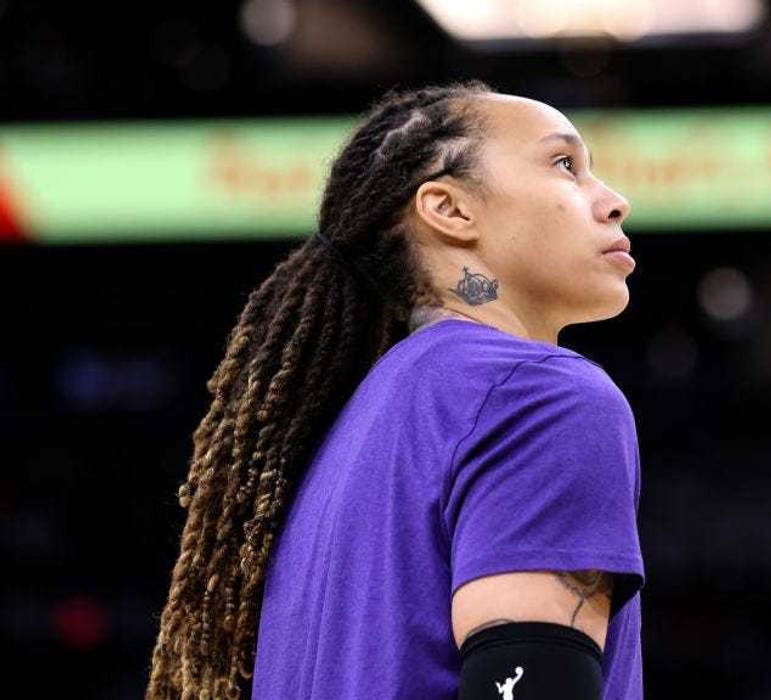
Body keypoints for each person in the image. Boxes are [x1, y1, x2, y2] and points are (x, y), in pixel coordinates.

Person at [145, 80, 644, 699]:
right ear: (451, 209)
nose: (614, 201)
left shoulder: (342, 431)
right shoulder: (540, 397)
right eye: (565, 164)